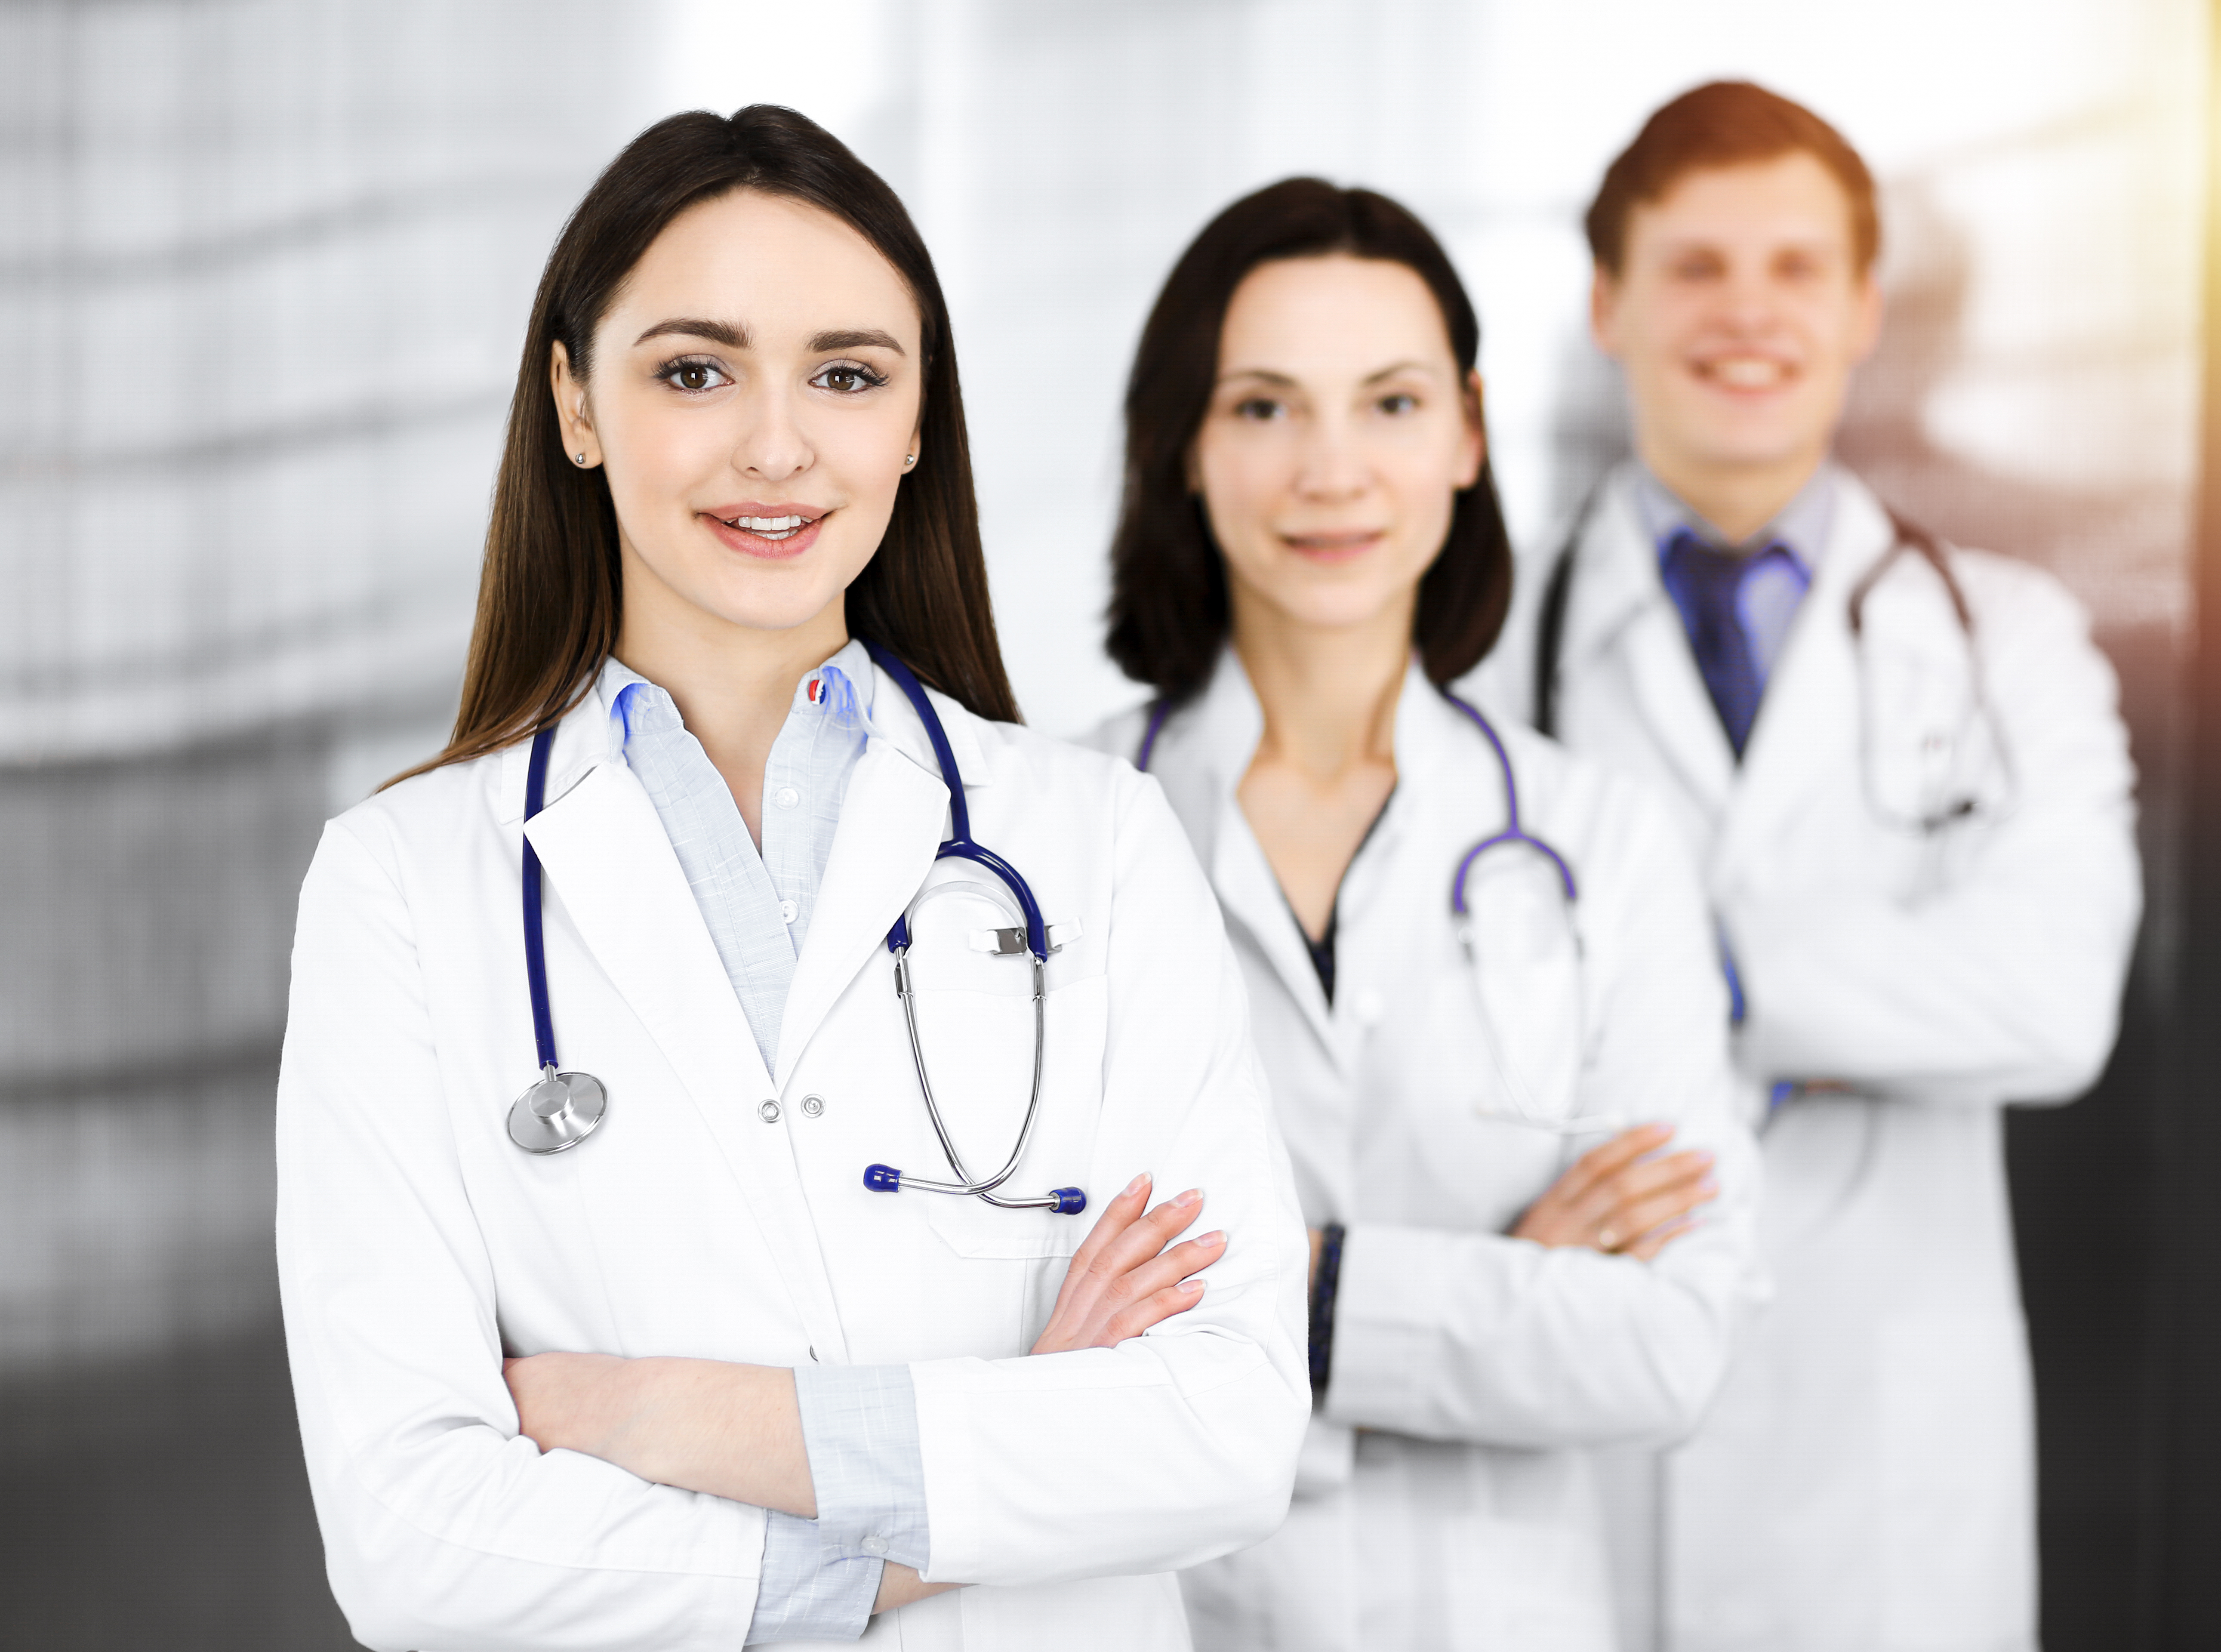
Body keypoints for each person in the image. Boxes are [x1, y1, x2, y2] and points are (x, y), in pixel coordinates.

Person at [274, 106, 1309, 1651]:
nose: (777, 444)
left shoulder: (1093, 837)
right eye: (695, 371)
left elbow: (1225, 1430)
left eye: (845, 374)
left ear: (913, 423)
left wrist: (664, 1416)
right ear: (574, 402)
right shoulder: (401, 886)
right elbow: (414, 1538)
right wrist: (986, 1468)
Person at [1483, 82, 2142, 1652]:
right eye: (1695, 266)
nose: (1745, 314)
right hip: (1575, 1454)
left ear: (1860, 314)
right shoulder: (1479, 665)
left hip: (1887, 1479)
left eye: (1793, 271)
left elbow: (2054, 1001)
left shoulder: (2007, 643)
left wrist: (1684, 974)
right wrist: (1875, 991)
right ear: (1609, 304)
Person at [1086, 178, 1762, 1652]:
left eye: (1387, 404)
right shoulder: (1051, 836)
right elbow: (1000, 1306)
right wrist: (1489, 1288)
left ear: (1463, 435)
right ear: (1184, 450)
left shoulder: (1596, 844)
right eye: (1263, 407)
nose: (1331, 469)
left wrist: (1285, 1297)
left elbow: (1665, 1349)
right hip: (1158, 1609)